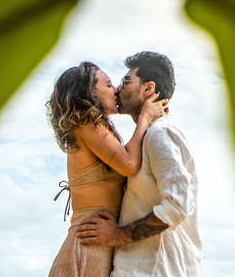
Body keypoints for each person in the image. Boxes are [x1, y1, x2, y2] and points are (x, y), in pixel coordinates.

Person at [75, 51, 201, 277]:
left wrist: (118, 235)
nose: (118, 89)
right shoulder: (148, 136)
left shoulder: (159, 133)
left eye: (126, 82)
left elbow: (177, 205)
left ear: (148, 88)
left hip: (152, 269)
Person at [46, 61, 167, 277]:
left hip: (98, 241)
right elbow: (129, 164)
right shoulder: (85, 123)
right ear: (91, 92)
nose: (116, 90)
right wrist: (145, 118)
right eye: (109, 85)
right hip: (88, 246)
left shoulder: (96, 127)